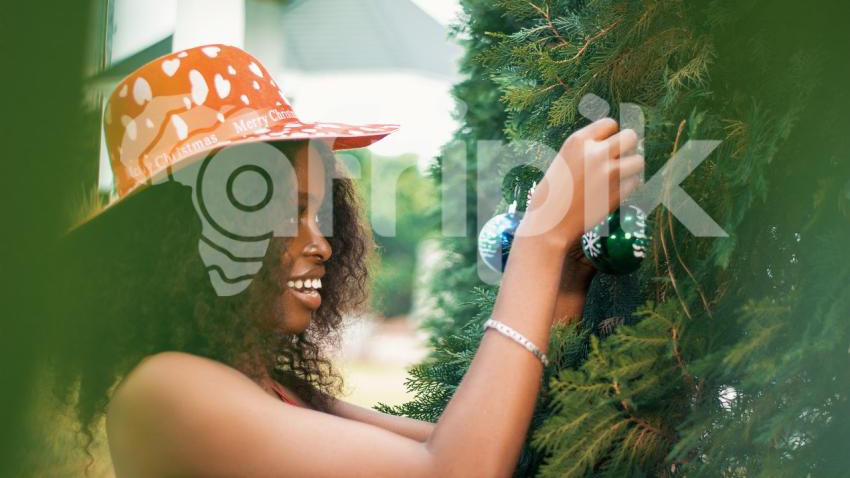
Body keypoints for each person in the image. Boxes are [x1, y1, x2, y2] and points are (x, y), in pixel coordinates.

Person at [55, 44, 643, 476]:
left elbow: (477, 440)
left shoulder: (269, 385)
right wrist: (538, 242)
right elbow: (456, 471)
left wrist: (562, 284)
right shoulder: (163, 391)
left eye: (321, 212)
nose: (322, 242)